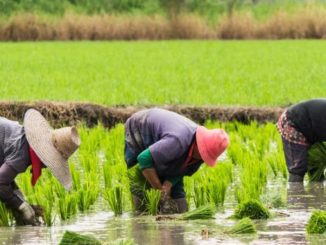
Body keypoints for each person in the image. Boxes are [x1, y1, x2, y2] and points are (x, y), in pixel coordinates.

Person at [124, 108, 229, 214]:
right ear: (198, 144)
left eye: (207, 156)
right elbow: (143, 159)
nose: (203, 159)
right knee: (140, 188)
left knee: (180, 206)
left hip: (167, 140)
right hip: (141, 126)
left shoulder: (198, 157)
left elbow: (181, 171)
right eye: (204, 154)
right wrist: (159, 190)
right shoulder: (177, 141)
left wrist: (167, 185)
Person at [0, 109, 81, 225]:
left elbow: (5, 177)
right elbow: (1, 182)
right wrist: (22, 206)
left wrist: (20, 198)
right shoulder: (23, 153)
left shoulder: (24, 141)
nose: (47, 166)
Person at [277, 99, 326, 182]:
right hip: (293, 122)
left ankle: (316, 191)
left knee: (318, 161)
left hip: (310, 129)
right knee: (298, 168)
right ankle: (295, 192)